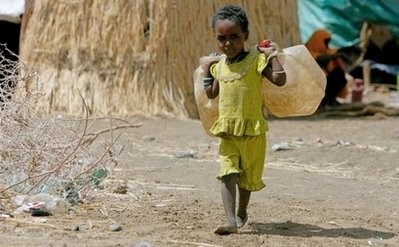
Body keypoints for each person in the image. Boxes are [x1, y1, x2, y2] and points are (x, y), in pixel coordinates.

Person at [201, 5, 286, 235]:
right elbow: (211, 94)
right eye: (222, 38)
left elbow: (279, 80)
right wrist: (207, 69)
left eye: (234, 37)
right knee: (228, 172)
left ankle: (241, 212)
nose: (227, 43)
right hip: (228, 130)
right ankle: (229, 220)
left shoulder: (255, 60)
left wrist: (272, 57)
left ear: (246, 35)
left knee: (246, 177)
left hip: (253, 131)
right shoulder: (219, 66)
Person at [305, 29, 349, 107]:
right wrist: (337, 55)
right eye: (325, 42)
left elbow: (332, 52)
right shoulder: (306, 50)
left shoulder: (324, 51)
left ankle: (330, 100)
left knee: (338, 75)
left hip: (320, 84)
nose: (327, 45)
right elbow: (320, 58)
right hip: (307, 85)